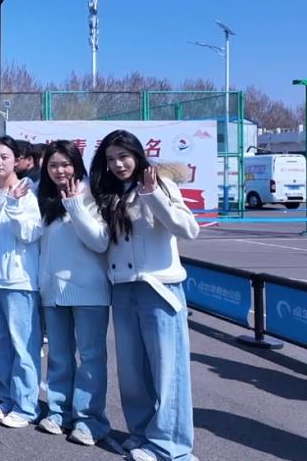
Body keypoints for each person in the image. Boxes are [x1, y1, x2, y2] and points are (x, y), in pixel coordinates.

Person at [90, 130, 200, 461]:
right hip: (123, 288)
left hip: (158, 287)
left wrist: (153, 196)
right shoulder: (110, 193)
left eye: (124, 156)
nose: (118, 164)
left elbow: (188, 229)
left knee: (167, 371)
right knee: (132, 372)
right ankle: (142, 433)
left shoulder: (161, 185)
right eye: (111, 159)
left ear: (137, 155)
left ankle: (170, 446)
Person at [35, 140, 112, 446]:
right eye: (53, 165)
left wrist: (76, 206)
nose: (59, 171)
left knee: (91, 358)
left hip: (89, 290)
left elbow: (100, 242)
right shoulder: (43, 197)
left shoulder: (92, 194)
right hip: (53, 291)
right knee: (59, 355)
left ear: (77, 165)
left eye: (65, 164)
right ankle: (58, 412)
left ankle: (90, 420)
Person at [0, 135, 43, 428]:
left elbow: (31, 234)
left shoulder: (28, 192)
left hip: (18, 280)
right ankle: (7, 398)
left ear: (16, 160)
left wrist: (16, 205)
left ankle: (27, 406)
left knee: (23, 346)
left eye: (4, 157)